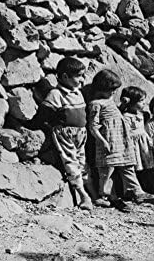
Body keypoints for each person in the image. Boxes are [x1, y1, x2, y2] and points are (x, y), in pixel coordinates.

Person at [31, 57, 93, 210]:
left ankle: (92, 193)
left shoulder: (77, 92)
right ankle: (83, 194)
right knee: (71, 162)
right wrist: (34, 126)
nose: (82, 79)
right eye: (79, 76)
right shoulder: (56, 94)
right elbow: (44, 113)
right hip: (65, 134)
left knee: (82, 161)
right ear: (65, 77)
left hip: (80, 134)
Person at [87, 69, 151, 209]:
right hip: (109, 141)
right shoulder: (95, 104)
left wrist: (122, 105)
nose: (114, 93)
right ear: (102, 87)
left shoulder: (108, 100)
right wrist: (102, 141)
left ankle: (137, 191)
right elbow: (93, 126)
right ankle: (109, 195)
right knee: (107, 170)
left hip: (120, 141)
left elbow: (116, 113)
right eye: (111, 90)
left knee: (127, 166)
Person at [119, 86, 154, 191]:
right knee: (136, 165)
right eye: (141, 101)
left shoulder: (142, 114)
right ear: (132, 102)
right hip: (134, 144)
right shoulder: (126, 116)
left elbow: (143, 129)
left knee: (146, 165)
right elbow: (126, 132)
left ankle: (147, 186)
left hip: (143, 143)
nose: (144, 103)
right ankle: (135, 188)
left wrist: (148, 139)